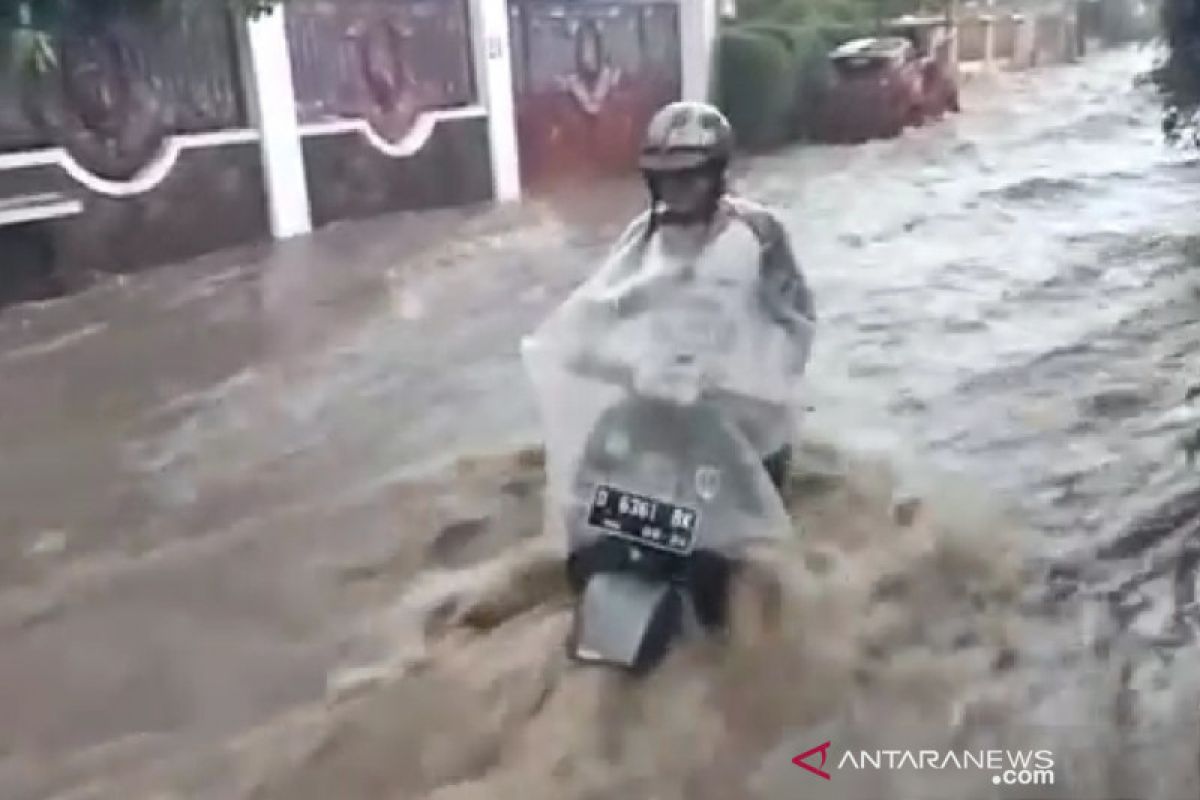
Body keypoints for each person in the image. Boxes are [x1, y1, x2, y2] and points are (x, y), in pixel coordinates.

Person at [581, 100, 817, 491]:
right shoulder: (642, 235)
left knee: (745, 544)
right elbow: (606, 303)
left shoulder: (759, 231)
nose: (677, 189)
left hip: (747, 424)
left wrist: (762, 385)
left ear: (717, 174)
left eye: (689, 177)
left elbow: (797, 319)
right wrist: (594, 353)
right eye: (665, 179)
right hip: (666, 410)